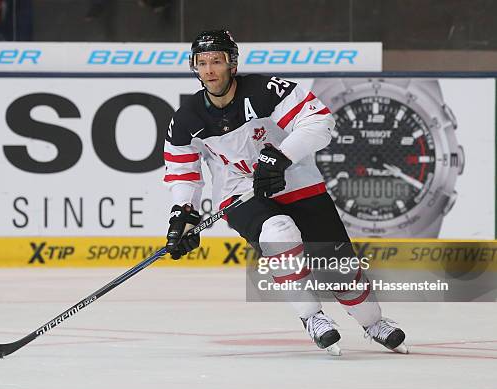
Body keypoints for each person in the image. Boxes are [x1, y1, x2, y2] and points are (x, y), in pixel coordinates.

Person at [163, 29, 408, 356]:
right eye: (202, 62)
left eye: (217, 61)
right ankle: (313, 318)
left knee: (340, 270)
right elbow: (182, 170)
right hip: (242, 194)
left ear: (232, 64)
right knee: (279, 232)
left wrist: (279, 157)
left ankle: (372, 322)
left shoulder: (265, 90)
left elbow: (320, 122)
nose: (209, 70)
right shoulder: (186, 118)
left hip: (298, 181)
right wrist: (183, 214)